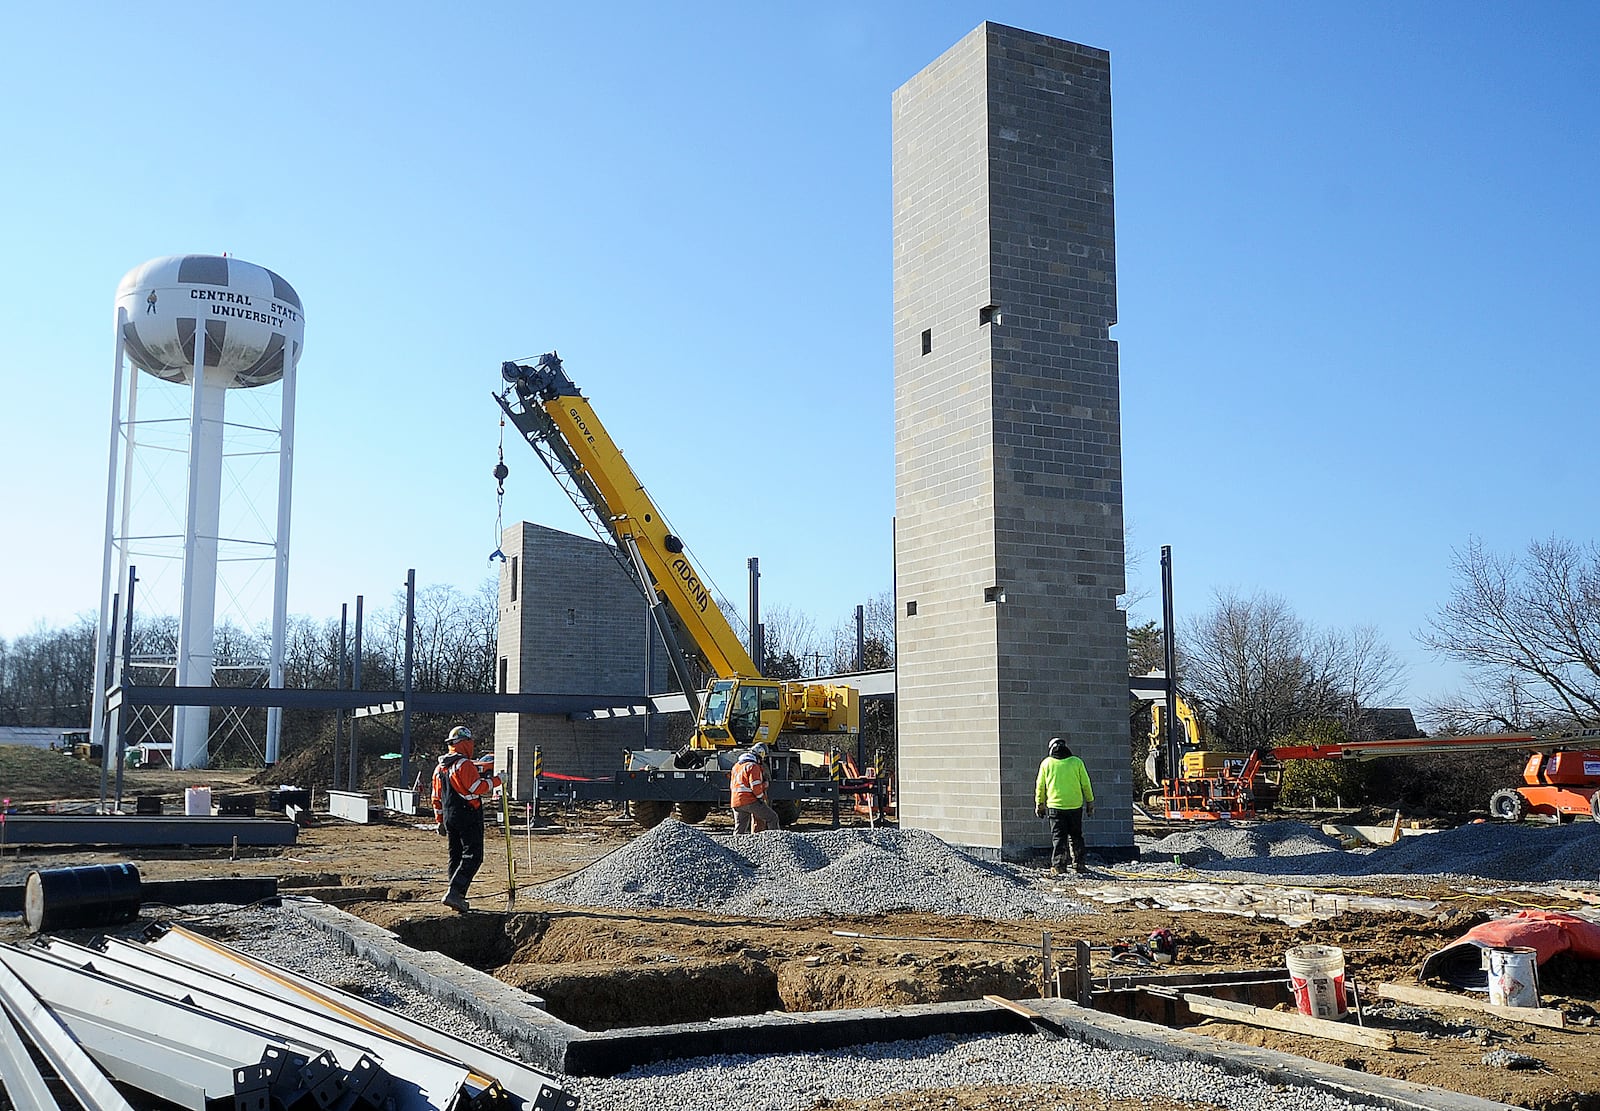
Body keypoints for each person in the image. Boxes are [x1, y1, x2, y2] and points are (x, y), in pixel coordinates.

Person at [431, 725, 500, 911]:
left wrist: (440, 821)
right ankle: (455, 892)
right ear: (465, 743)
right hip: (468, 815)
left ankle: (456, 895)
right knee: (473, 856)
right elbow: (477, 787)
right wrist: (498, 780)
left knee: (455, 855)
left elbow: (436, 798)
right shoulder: (464, 764)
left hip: (449, 817)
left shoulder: (440, 768)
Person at [1035, 735, 1095, 873]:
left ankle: (1059, 866)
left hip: (1055, 808)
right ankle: (1079, 864)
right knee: (1076, 836)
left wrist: (1040, 804)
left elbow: (1040, 786)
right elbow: (1086, 784)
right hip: (1075, 807)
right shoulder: (1076, 762)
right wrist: (1090, 802)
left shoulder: (1046, 764)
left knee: (1059, 837)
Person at [730, 743, 778, 834]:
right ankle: (776, 841)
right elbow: (755, 786)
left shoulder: (736, 766)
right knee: (772, 818)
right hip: (749, 800)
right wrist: (761, 796)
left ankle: (736, 845)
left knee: (740, 827)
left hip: (735, 802)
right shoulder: (753, 766)